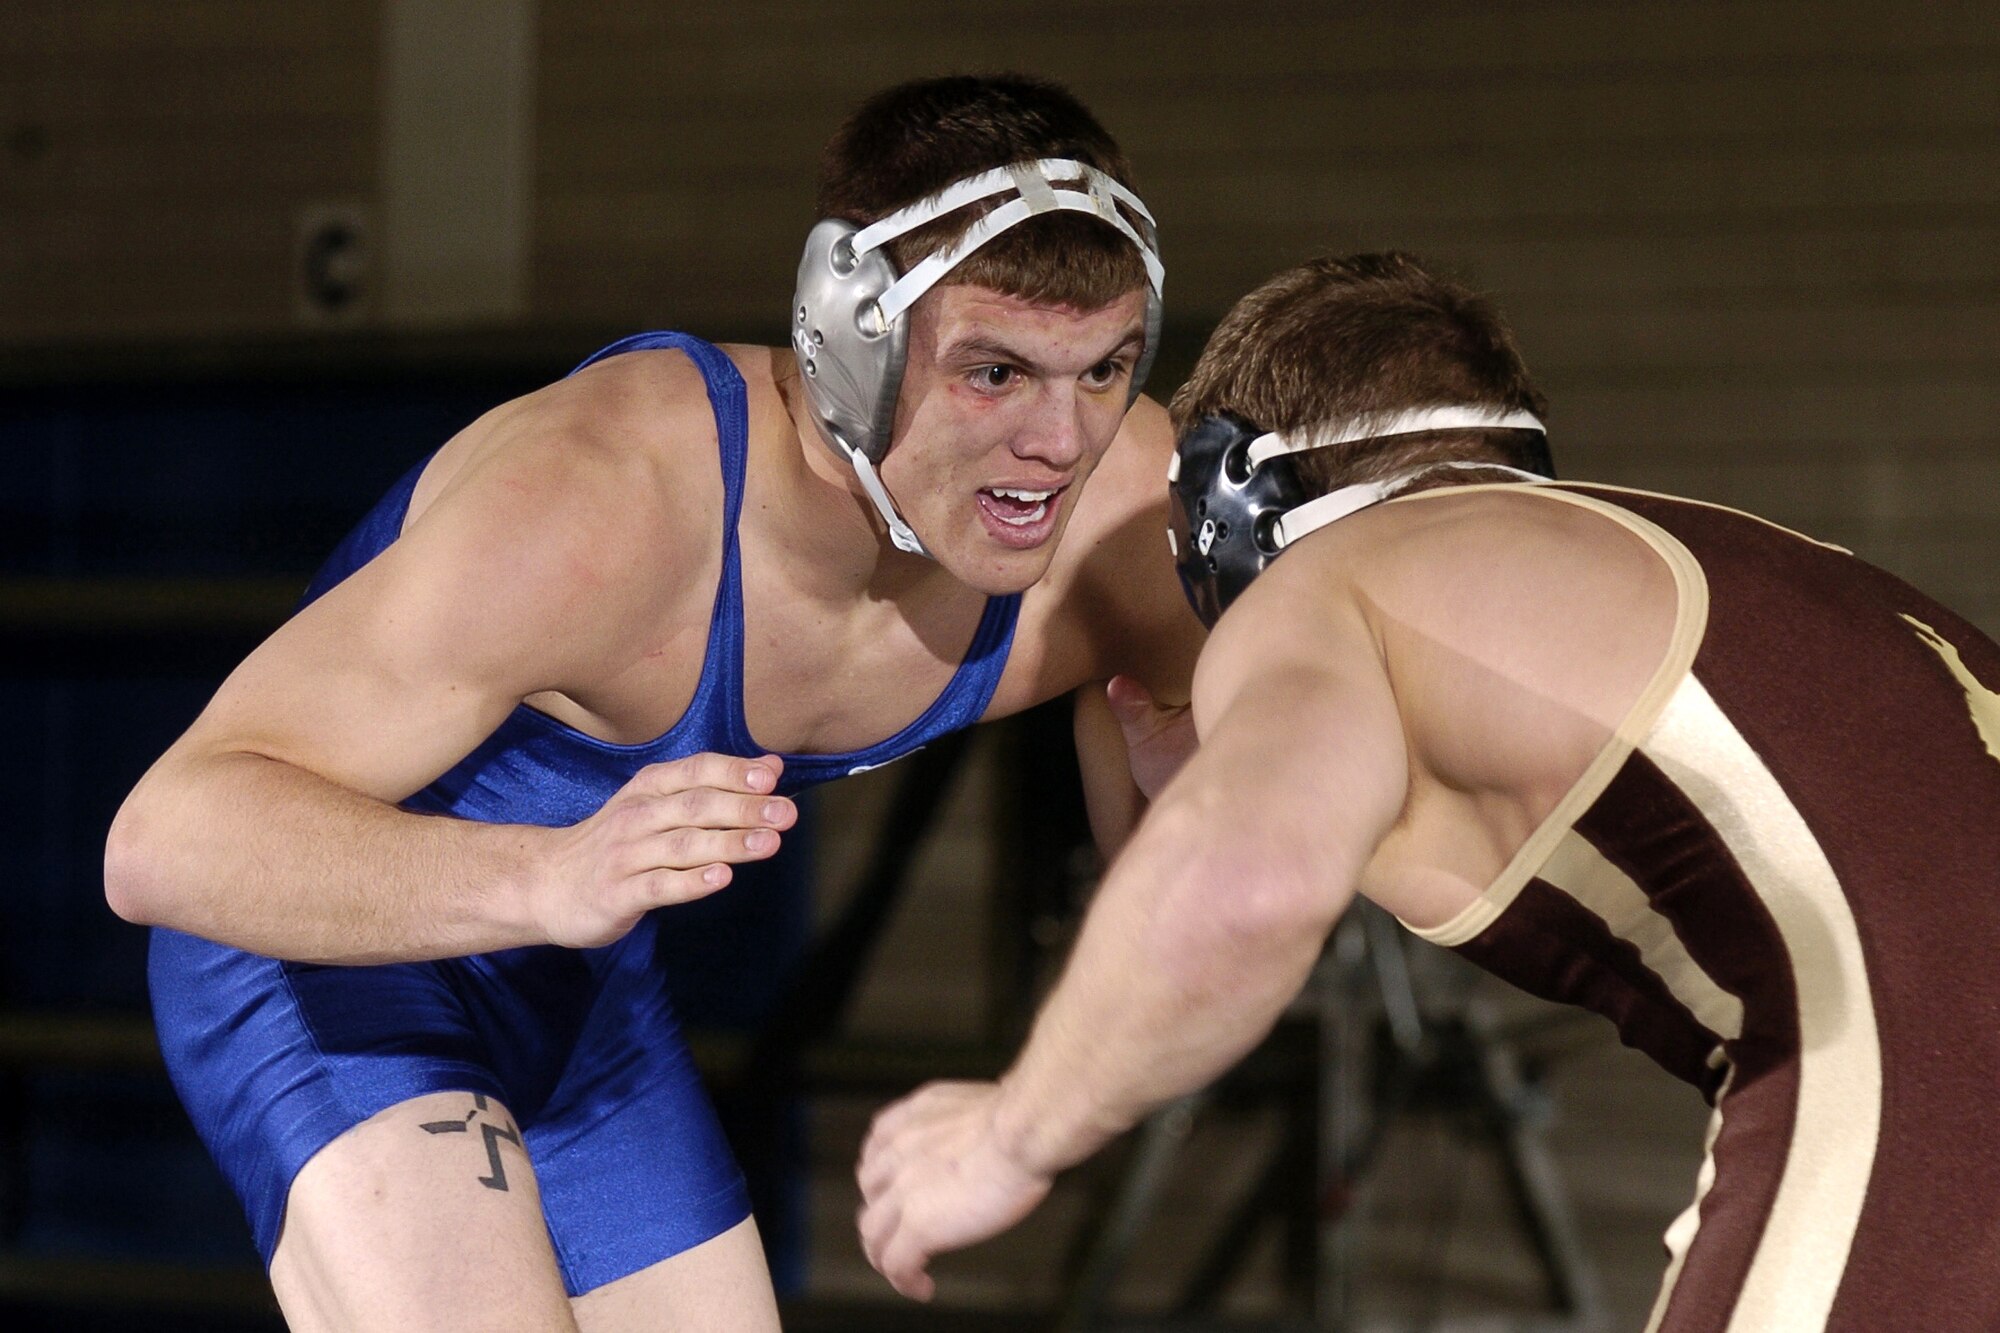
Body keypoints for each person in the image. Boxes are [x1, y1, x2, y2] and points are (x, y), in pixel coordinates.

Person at [103, 75, 1203, 1332]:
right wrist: (541, 881)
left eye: (1105, 367)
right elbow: (164, 838)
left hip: (579, 988)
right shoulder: (604, 501)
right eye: (995, 372)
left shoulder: (1123, 517)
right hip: (321, 943)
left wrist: (1177, 806)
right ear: (850, 335)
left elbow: (1170, 852)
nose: (1060, 441)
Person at [855, 252, 2000, 1331]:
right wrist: (1245, 779)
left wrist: (1009, 1135)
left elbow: (1248, 885)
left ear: (1222, 504)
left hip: (1938, 1093)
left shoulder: (1330, 578)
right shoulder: (1735, 554)